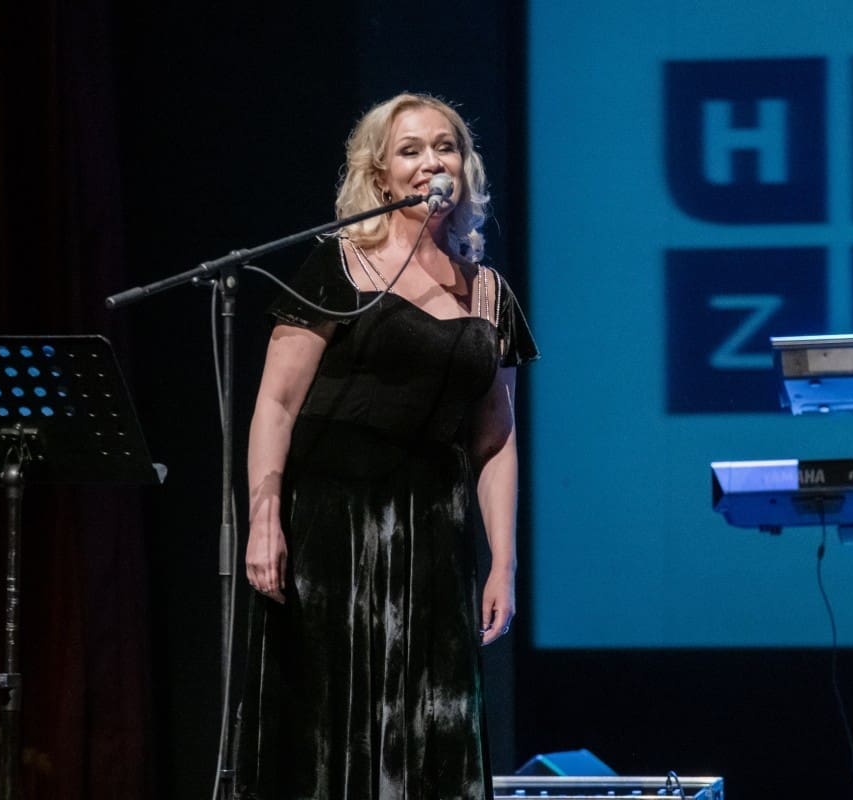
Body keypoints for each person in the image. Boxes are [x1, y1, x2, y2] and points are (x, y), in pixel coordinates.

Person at [235, 91, 539, 800]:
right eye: (411, 150)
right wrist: (263, 518)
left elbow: (495, 440)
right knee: (330, 728)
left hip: (434, 535)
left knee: (430, 724)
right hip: (331, 530)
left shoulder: (489, 293)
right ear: (379, 174)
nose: (432, 161)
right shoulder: (338, 265)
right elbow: (276, 404)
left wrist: (503, 563)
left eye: (445, 147)